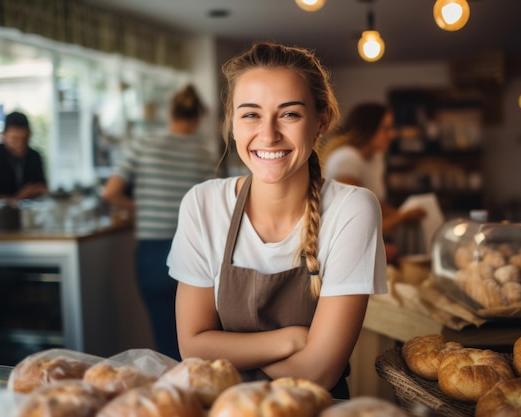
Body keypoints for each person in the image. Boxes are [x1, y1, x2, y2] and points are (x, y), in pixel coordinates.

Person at [167, 42, 387, 399]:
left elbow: (318, 371)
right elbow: (192, 348)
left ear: (322, 120)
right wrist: (293, 339)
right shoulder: (202, 204)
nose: (268, 135)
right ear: (233, 124)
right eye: (251, 114)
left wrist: (233, 350)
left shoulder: (353, 209)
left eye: (289, 114)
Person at [101, 84, 216, 361]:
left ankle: (173, 397)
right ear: (198, 118)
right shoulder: (206, 154)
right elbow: (215, 207)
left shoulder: (143, 143)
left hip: (151, 254)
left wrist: (142, 208)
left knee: (165, 340)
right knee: (199, 340)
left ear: (169, 113)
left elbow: (110, 192)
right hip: (194, 252)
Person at [319, 103, 426, 261]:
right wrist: (402, 218)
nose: (392, 134)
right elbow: (354, 223)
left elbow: (375, 204)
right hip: (346, 253)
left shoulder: (375, 158)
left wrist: (402, 214)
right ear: (368, 130)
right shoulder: (346, 159)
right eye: (386, 129)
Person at [0, 111, 48, 201]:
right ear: (4, 135)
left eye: (25, 139)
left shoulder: (34, 157)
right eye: (15, 139)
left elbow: (41, 187)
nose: (20, 144)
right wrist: (20, 196)